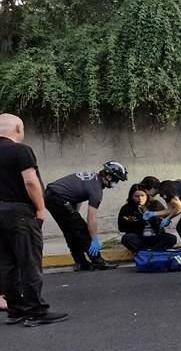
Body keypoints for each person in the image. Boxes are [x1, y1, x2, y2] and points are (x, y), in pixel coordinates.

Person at [0, 114, 67, 326]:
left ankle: (15, 310)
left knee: (6, 263)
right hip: (19, 211)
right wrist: (40, 208)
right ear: (18, 128)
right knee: (29, 261)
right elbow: (30, 181)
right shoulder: (21, 150)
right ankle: (35, 311)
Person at [45, 162, 127, 272]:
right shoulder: (96, 190)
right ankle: (98, 261)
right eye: (116, 180)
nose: (115, 183)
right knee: (81, 230)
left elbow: (77, 196)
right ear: (108, 176)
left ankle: (80, 262)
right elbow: (91, 218)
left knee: (70, 230)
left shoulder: (92, 179)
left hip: (51, 195)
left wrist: (74, 216)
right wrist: (94, 239)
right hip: (59, 198)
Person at [118, 184, 177, 253]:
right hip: (139, 238)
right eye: (136, 196)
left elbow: (166, 217)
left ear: (147, 196)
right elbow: (121, 228)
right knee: (127, 238)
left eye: (142, 195)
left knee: (171, 238)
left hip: (155, 237)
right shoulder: (127, 208)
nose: (140, 199)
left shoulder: (155, 204)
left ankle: (148, 252)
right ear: (131, 197)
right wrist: (129, 222)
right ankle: (149, 251)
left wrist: (163, 220)